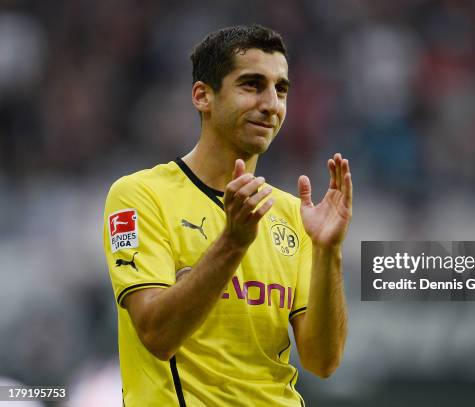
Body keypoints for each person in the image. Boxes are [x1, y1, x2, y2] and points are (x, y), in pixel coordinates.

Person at [103, 24, 352, 406]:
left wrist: (328, 251)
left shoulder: (291, 214)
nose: (271, 104)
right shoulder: (140, 196)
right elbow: (157, 334)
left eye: (280, 89)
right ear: (203, 96)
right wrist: (233, 242)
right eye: (252, 85)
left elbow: (322, 362)